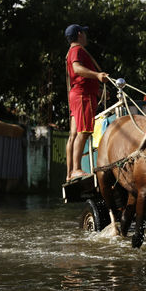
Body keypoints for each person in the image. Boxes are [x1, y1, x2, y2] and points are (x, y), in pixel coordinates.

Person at [64, 24, 109, 181]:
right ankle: (76, 169)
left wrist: (99, 90)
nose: (86, 36)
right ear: (79, 34)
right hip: (82, 96)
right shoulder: (77, 50)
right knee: (84, 132)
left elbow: (80, 77)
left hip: (79, 94)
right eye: (84, 33)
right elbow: (77, 69)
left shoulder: (73, 51)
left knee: (74, 134)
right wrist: (97, 76)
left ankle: (70, 173)